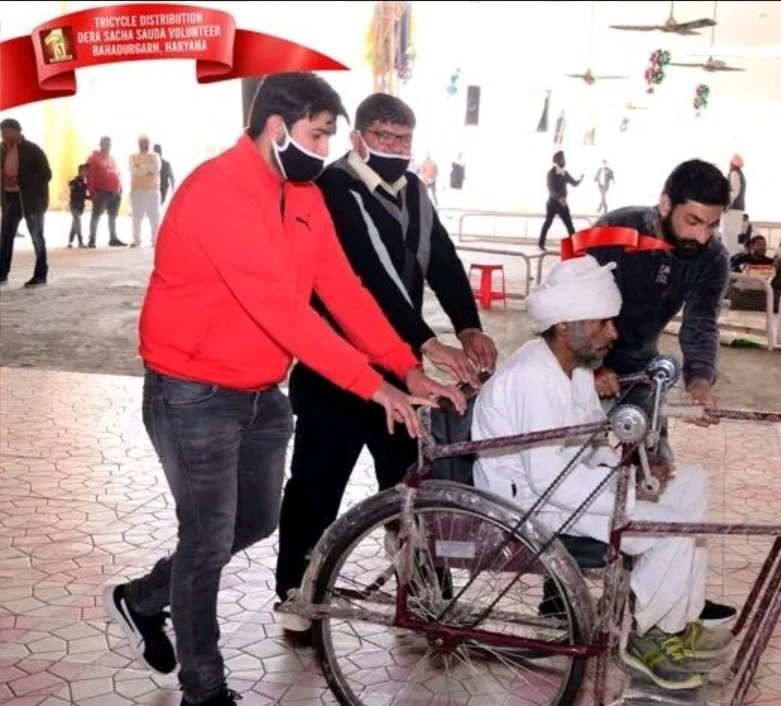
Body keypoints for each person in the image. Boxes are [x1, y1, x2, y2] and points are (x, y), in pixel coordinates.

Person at [101, 73, 462, 706]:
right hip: (191, 391)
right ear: (276, 127)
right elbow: (283, 310)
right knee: (208, 538)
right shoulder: (219, 191)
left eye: (328, 135)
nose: (325, 149)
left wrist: (403, 366)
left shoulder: (301, 193)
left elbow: (342, 289)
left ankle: (142, 598)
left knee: (257, 521)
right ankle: (204, 688)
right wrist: (371, 387)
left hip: (261, 392)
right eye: (318, 134)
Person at [274, 93, 499, 641]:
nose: (395, 150)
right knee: (315, 487)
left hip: (398, 376)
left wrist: (467, 324)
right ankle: (297, 593)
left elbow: (440, 259)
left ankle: (424, 595)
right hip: (334, 371)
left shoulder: (414, 191)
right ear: (358, 140)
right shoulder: (330, 191)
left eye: (403, 140)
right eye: (383, 138)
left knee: (411, 485)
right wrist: (425, 341)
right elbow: (369, 280)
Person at [472, 256, 732, 691]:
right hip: (526, 505)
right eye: (602, 323)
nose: (613, 333)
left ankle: (677, 621)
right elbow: (547, 478)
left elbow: (592, 447)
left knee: (691, 483)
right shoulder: (534, 376)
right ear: (563, 325)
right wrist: (629, 491)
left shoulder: (571, 368)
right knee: (670, 525)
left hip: (561, 488)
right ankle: (648, 639)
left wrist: (639, 473)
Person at [587, 160, 731, 433]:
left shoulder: (713, 259)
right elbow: (571, 311)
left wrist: (699, 382)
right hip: (579, 362)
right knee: (574, 461)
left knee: (655, 465)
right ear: (666, 205)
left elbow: (701, 323)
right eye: (693, 221)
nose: (702, 237)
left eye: (712, 225)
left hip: (640, 369)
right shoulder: (613, 230)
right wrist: (588, 369)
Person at [0, 118, 52, 287]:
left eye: (7, 131)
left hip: (31, 199)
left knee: (37, 236)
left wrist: (21, 178)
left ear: (18, 131)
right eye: (2, 132)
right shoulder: (2, 150)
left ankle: (40, 274)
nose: (4, 135)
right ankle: (2, 273)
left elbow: (46, 174)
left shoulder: (32, 150)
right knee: (6, 236)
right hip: (11, 198)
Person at [537, 150, 583, 250]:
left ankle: (576, 246)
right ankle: (541, 243)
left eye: (564, 159)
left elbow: (573, 183)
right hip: (552, 203)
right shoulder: (551, 173)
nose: (564, 161)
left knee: (569, 225)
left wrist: (580, 179)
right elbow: (550, 189)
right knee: (548, 223)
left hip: (562, 203)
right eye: (562, 159)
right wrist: (559, 198)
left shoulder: (564, 173)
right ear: (557, 161)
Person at [87, 136, 125, 247]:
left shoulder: (112, 159)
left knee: (112, 216)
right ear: (101, 144)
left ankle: (113, 238)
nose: (108, 146)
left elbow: (117, 173)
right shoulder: (94, 158)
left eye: (109, 144)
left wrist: (120, 188)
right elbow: (91, 175)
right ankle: (92, 239)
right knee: (96, 216)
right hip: (101, 192)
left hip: (115, 192)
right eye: (106, 143)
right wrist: (92, 191)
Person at [129, 134, 162, 247]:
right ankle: (136, 240)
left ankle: (155, 240)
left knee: (154, 216)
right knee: (136, 216)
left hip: (152, 190)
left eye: (146, 142)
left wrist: (141, 167)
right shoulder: (132, 157)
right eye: (142, 142)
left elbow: (156, 168)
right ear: (138, 144)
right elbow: (134, 171)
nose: (144, 145)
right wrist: (148, 170)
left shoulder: (155, 156)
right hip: (137, 190)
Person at [721, 153, 746, 255]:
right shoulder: (740, 174)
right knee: (731, 238)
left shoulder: (734, 174)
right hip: (736, 211)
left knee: (728, 237)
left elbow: (734, 191)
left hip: (732, 210)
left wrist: (726, 205)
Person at [68, 163, 89, 248]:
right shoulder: (75, 181)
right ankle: (80, 242)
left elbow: (83, 195)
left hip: (81, 206)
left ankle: (70, 241)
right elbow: (71, 185)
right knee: (78, 222)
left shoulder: (84, 184)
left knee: (75, 224)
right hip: (74, 205)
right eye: (84, 171)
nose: (86, 173)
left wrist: (91, 197)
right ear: (80, 172)